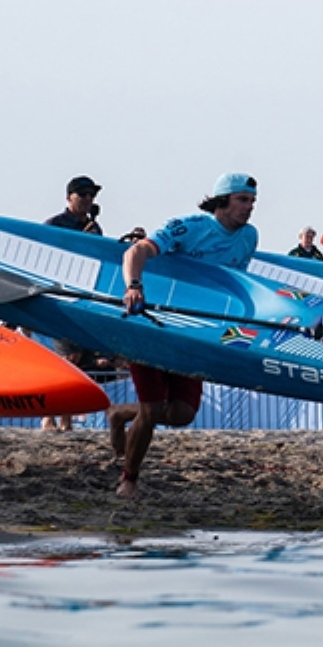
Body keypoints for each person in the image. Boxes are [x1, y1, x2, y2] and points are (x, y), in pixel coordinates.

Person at [107, 173, 260, 499]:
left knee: (182, 413)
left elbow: (236, 285)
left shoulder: (249, 237)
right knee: (152, 410)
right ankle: (129, 480)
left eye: (252, 201)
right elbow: (135, 252)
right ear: (223, 200)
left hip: (193, 332)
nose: (249, 208)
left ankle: (119, 414)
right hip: (152, 324)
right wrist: (133, 286)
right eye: (243, 200)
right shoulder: (190, 227)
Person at [39, 176, 106, 431]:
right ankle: (49, 415)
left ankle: (64, 417)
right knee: (69, 358)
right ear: (69, 197)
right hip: (58, 298)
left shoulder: (93, 227)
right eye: (83, 194)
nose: (88, 199)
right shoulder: (55, 224)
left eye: (91, 195)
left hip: (83, 300)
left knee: (80, 363)